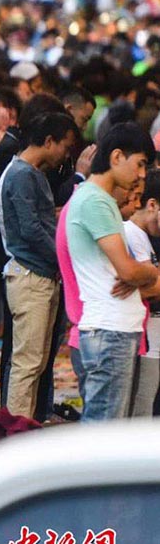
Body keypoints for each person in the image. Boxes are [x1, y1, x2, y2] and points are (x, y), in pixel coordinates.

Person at [65, 123, 159, 421]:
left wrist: (142, 272)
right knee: (103, 430)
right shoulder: (94, 201)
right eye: (140, 164)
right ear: (117, 157)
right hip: (109, 331)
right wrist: (148, 271)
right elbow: (129, 272)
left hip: (116, 329)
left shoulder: (101, 201)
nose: (143, 175)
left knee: (109, 428)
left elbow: (132, 273)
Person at [0, 112, 79, 418]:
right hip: (30, 275)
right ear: (48, 141)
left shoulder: (32, 173)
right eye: (65, 146)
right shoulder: (20, 174)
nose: (66, 155)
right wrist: (63, 258)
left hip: (41, 275)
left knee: (36, 360)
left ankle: (24, 424)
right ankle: (16, 429)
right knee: (27, 362)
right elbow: (31, 230)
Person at [123, 170, 160, 417]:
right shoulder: (131, 234)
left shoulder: (145, 236)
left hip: (151, 338)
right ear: (152, 204)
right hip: (144, 339)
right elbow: (146, 288)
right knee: (141, 409)